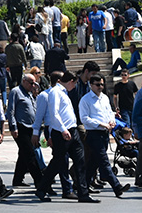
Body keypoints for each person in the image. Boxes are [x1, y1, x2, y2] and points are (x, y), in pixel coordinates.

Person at [35, 71, 96, 203]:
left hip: (72, 131)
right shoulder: (55, 92)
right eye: (75, 84)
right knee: (57, 162)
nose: (74, 87)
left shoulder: (64, 93)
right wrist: (63, 129)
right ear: (71, 81)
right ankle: (42, 188)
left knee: (80, 161)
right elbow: (54, 114)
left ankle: (83, 193)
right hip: (62, 132)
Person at [80, 73, 130, 198]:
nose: (100, 87)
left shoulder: (105, 98)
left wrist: (112, 120)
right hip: (94, 133)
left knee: (93, 162)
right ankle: (117, 186)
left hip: (105, 134)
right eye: (97, 85)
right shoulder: (85, 100)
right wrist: (101, 124)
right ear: (91, 85)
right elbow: (84, 118)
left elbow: (109, 112)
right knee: (104, 161)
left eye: (102, 84)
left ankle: (82, 185)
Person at [7, 73, 43, 188]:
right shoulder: (16, 91)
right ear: (24, 81)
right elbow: (10, 110)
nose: (33, 85)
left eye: (34, 83)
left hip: (31, 127)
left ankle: (18, 179)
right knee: (29, 154)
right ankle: (39, 180)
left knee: (23, 154)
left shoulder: (30, 94)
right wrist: (13, 127)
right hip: (21, 127)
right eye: (31, 83)